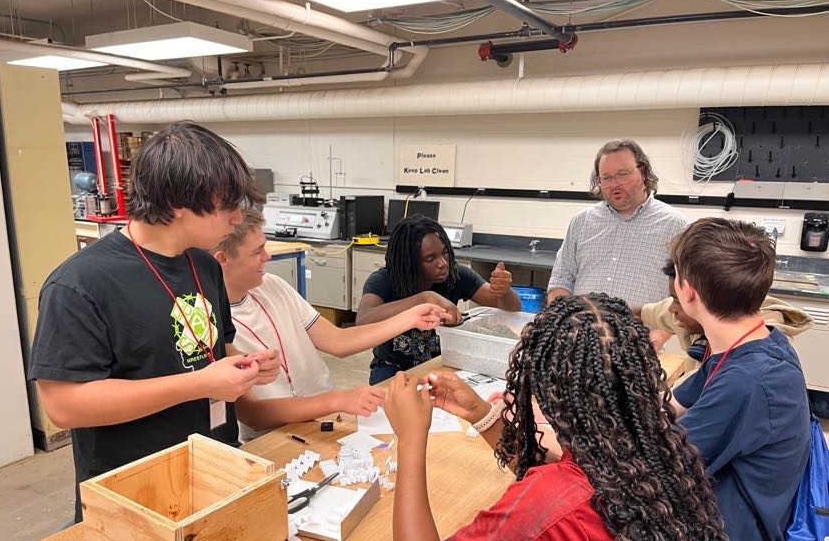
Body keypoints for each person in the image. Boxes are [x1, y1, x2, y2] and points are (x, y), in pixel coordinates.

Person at [383, 293, 727, 541]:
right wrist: (480, 413)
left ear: (547, 392)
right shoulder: (651, 453)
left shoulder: (555, 504)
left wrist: (411, 437)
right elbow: (560, 494)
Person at [28, 121, 280, 522]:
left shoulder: (204, 264)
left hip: (216, 463)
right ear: (180, 203)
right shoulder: (80, 285)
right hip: (134, 489)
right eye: (226, 206)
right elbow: (65, 405)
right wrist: (200, 384)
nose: (237, 218)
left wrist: (246, 366)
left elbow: (213, 348)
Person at [670, 218, 811, 541]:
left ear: (687, 290)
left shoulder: (748, 382)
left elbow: (655, 469)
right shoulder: (751, 343)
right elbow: (676, 405)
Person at [213, 206, 448, 442]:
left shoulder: (273, 286)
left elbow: (338, 341)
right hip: (274, 437)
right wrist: (337, 400)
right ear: (222, 259)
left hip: (325, 419)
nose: (268, 256)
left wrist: (409, 317)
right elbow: (253, 414)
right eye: (257, 252)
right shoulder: (212, 322)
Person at [357, 215, 521, 384]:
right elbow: (363, 321)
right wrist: (423, 298)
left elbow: (512, 308)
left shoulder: (456, 275)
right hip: (393, 368)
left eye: (445, 253)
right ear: (409, 262)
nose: (443, 263)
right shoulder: (384, 280)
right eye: (430, 259)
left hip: (442, 363)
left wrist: (503, 291)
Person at [547, 139, 688, 306]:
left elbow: (687, 295)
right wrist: (563, 320)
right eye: (606, 178)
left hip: (645, 332)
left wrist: (663, 332)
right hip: (584, 330)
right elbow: (561, 280)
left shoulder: (676, 226)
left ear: (642, 172)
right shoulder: (582, 222)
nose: (614, 184)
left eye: (623, 175)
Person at [633, 259, 813, 384]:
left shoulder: (746, 373)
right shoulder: (702, 312)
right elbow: (648, 311)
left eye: (677, 300)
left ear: (695, 297)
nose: (673, 309)